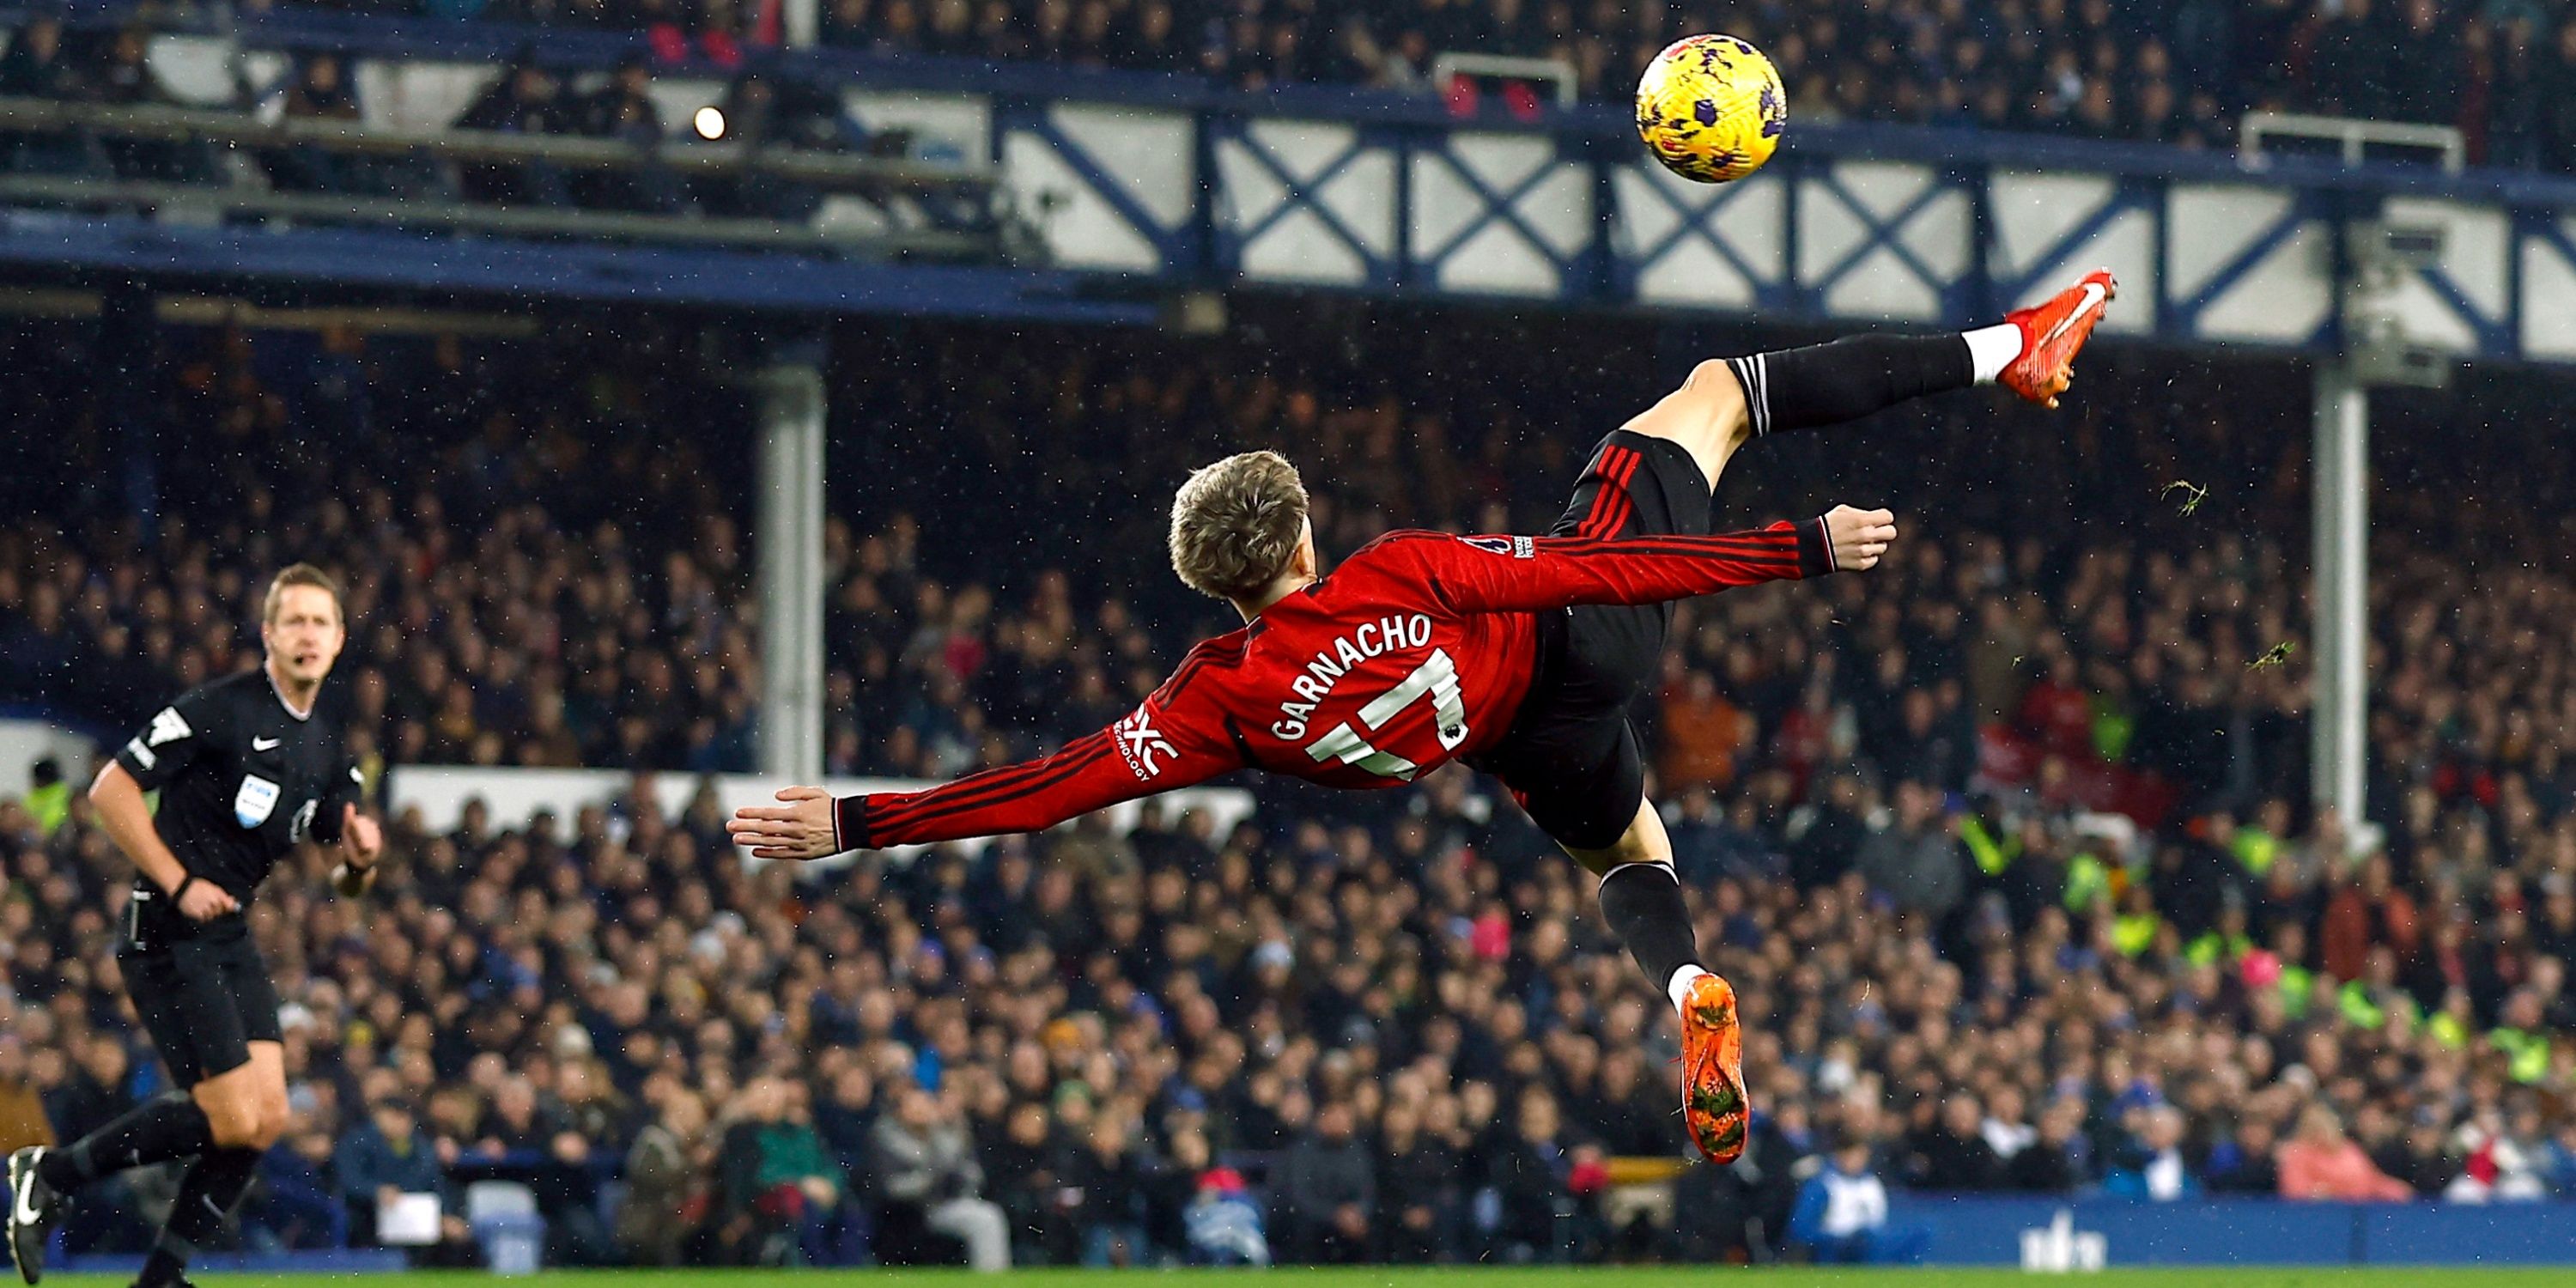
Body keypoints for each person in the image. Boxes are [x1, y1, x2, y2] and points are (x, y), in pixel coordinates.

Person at [731, 271, 2120, 1163]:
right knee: (1720, 395)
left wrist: (862, 823)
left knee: (1633, 856)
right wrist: (1791, 551)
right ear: (1300, 531)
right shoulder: (1397, 569)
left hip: (1511, 744)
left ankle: (1687, 990)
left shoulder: (1213, 701)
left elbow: (1048, 786)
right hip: (1578, 644)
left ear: (1215, 587)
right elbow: (1596, 567)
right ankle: (2016, 348)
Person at [9, 564, 383, 1288]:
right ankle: (49, 1175)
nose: (308, 634)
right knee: (233, 1113)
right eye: (294, 621)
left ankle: (161, 1277)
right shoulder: (220, 709)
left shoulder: (330, 748)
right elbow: (110, 789)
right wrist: (179, 882)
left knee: (266, 1118)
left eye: (321, 623)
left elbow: (346, 878)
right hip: (167, 931)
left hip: (229, 936)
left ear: (339, 641)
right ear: (269, 635)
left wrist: (361, 863)